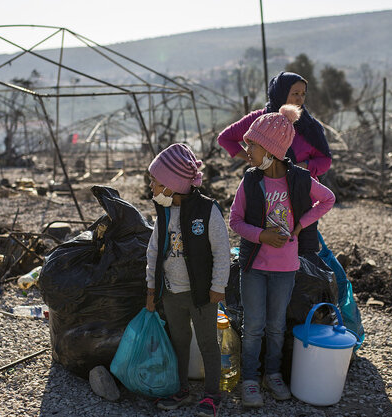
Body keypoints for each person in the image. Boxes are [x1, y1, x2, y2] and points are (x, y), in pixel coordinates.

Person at [229, 104, 336, 408]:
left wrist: (301, 225)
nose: (246, 150)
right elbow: (235, 221)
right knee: (253, 326)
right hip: (253, 267)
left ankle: (272, 374)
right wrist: (261, 235)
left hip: (285, 268)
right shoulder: (250, 181)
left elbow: (328, 199)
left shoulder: (300, 181)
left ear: (270, 149)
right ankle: (250, 378)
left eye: (251, 144)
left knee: (276, 326)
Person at [144, 143, 231, 417]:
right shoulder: (164, 211)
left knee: (207, 343)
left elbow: (221, 250)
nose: (152, 188)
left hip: (202, 294)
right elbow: (154, 251)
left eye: (155, 183)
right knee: (178, 341)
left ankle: (211, 394)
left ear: (172, 185)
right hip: (172, 293)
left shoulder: (207, 211)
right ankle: (181, 389)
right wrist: (151, 288)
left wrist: (218, 286)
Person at [218, 71, 332, 260]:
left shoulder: (310, 127)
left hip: (302, 195)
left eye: (303, 94)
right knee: (263, 247)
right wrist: (253, 158)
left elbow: (325, 160)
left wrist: (304, 167)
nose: (299, 98)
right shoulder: (261, 120)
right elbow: (225, 138)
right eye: (295, 93)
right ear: (281, 92)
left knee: (304, 250)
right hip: (265, 194)